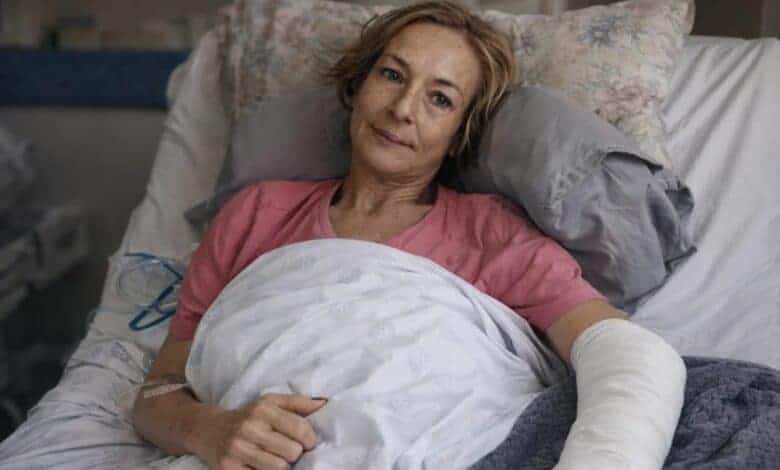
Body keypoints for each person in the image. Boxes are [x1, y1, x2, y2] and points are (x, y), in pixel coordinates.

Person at [132, 2, 686, 470]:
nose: (402, 110)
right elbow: (159, 393)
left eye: (439, 99)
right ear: (358, 85)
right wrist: (208, 429)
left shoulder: (493, 234)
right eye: (392, 76)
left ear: (459, 133)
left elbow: (627, 355)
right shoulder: (255, 214)